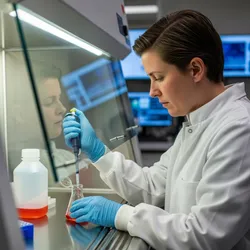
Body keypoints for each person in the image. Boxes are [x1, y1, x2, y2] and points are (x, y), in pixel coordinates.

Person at [62, 9, 250, 250]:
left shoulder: (238, 129)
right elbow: (152, 188)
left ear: (195, 70)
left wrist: (121, 215)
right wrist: (99, 152)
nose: (152, 91)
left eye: (158, 77)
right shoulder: (196, 122)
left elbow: (204, 235)